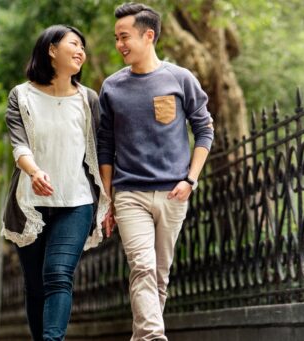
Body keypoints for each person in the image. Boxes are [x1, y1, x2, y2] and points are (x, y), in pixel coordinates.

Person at [97, 3, 215, 340]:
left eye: (124, 37)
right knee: (143, 267)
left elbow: (204, 130)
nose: (119, 44)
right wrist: (108, 198)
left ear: (148, 35)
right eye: (116, 38)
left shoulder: (180, 79)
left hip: (174, 193)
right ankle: (153, 337)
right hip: (130, 193)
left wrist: (191, 179)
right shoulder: (112, 87)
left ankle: (143, 336)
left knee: (158, 276)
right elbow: (105, 144)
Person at [0, 24, 112, 341]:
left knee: (58, 275)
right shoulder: (21, 96)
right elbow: (19, 146)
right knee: (35, 286)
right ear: (52, 49)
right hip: (30, 204)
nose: (81, 51)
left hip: (76, 203)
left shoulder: (88, 100)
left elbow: (103, 150)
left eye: (83, 47)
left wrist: (109, 199)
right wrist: (35, 172)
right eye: (74, 44)